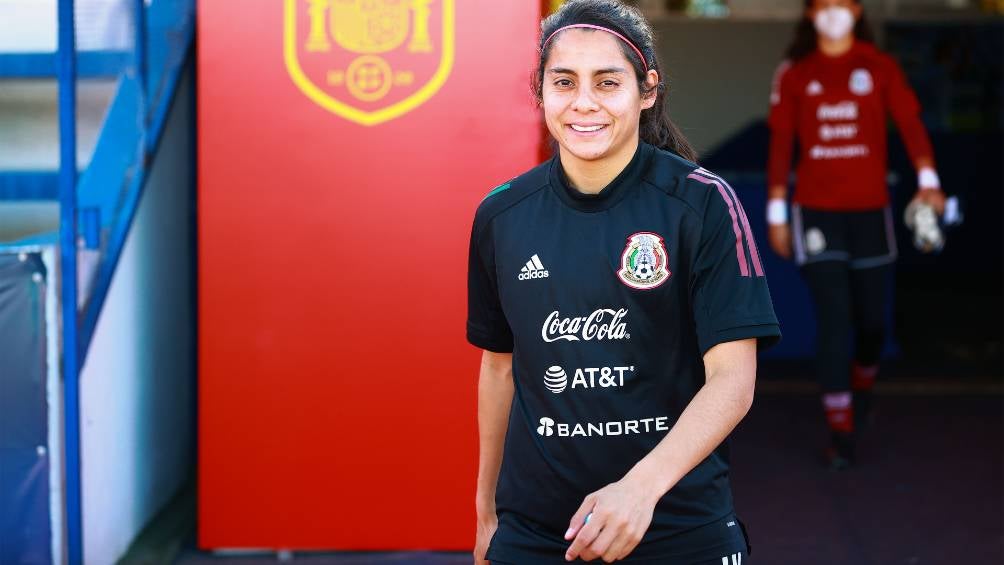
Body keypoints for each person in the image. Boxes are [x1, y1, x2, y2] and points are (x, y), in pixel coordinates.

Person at [467, 1, 780, 562]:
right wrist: (488, 510)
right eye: (564, 82)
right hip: (537, 533)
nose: (584, 102)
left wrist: (640, 489)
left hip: (678, 528)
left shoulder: (703, 204)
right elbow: (499, 368)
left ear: (647, 90)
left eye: (607, 82)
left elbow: (733, 381)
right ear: (540, 91)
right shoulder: (502, 214)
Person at [765, 0, 946, 469]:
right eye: (823, 3)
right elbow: (782, 142)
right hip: (816, 213)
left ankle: (862, 385)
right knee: (835, 319)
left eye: (841, 2)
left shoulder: (878, 65)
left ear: (857, 9)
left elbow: (909, 122)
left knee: (871, 324)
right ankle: (841, 430)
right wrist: (777, 212)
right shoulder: (796, 72)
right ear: (810, 13)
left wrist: (929, 181)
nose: (833, 11)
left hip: (870, 212)